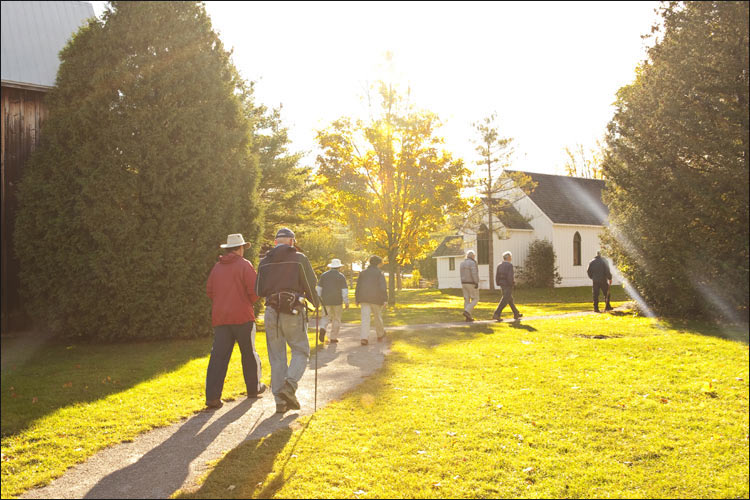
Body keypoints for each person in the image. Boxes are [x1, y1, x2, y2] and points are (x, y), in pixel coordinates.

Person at [256, 228, 319, 414]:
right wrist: (317, 304)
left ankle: (280, 403)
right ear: (292, 241)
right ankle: (289, 387)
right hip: (292, 310)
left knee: (277, 357)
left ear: (276, 243)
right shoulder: (299, 258)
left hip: (271, 310)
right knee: (301, 350)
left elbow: (259, 290)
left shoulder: (264, 262)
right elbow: (311, 284)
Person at [205, 233, 266, 409]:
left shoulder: (217, 267)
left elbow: (210, 291)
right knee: (249, 353)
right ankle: (253, 388)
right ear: (240, 248)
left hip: (221, 318)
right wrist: (246, 301)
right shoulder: (244, 265)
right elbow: (255, 290)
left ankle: (212, 397)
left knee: (218, 357)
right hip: (242, 316)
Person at [355, 255, 388, 345]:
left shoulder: (363, 273)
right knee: (377, 317)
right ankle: (380, 335)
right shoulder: (379, 273)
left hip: (364, 298)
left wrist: (357, 299)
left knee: (365, 319)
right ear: (378, 263)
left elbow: (358, 287)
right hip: (376, 299)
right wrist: (385, 299)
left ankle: (364, 338)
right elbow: (383, 287)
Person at [316, 258, 350, 344]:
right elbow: (344, 291)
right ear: (339, 267)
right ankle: (333, 338)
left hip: (325, 300)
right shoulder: (341, 276)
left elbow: (319, 288)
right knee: (336, 319)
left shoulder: (324, 275)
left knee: (325, 317)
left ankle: (323, 328)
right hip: (337, 301)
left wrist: (319, 298)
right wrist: (346, 302)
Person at [492, 251, 523, 322]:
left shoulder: (499, 265)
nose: (511, 258)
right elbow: (510, 276)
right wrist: (512, 283)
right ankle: (497, 314)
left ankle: (516, 313)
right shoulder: (509, 265)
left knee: (510, 299)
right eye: (511, 257)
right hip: (507, 284)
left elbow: (497, 275)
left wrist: (497, 282)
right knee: (505, 300)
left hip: (501, 284)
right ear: (508, 257)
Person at [459, 250, 480, 322]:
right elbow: (474, 273)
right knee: (476, 298)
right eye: (474, 256)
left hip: (463, 283)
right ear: (472, 256)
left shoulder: (462, 263)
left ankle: (468, 317)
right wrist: (476, 282)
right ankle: (467, 311)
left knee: (466, 299)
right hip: (471, 283)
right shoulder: (472, 263)